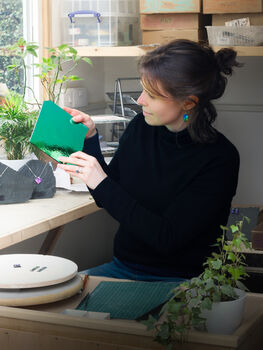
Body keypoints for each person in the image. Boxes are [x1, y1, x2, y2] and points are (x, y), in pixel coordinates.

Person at [57, 39, 241, 282]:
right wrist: (90, 138)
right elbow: (108, 196)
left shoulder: (219, 158)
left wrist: (101, 181)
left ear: (188, 102)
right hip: (122, 268)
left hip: (186, 281)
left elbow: (167, 238)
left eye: (152, 95)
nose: (140, 100)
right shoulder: (140, 128)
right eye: (143, 89)